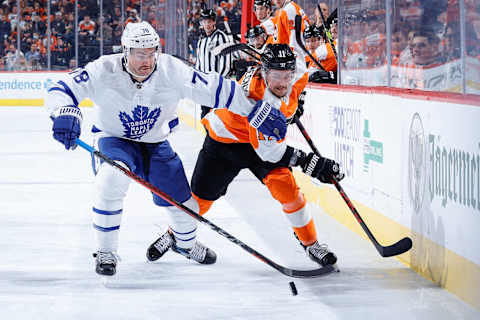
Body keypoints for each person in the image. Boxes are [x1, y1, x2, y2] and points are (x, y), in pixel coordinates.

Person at [45, 21, 267, 277]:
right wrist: (64, 111)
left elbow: (218, 89)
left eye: (152, 53)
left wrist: (257, 110)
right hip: (114, 140)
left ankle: (185, 245)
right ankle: (106, 251)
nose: (147, 60)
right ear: (125, 51)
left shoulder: (171, 70)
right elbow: (62, 88)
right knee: (111, 180)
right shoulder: (104, 68)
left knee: (185, 205)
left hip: (156, 144)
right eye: (140, 54)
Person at [146, 44, 344, 268]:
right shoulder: (256, 97)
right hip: (225, 142)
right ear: (263, 71)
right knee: (200, 201)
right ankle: (175, 235)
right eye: (275, 76)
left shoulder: (297, 70)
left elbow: (297, 80)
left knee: (288, 191)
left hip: (262, 141)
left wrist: (298, 101)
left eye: (286, 76)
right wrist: (310, 163)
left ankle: (311, 244)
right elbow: (269, 152)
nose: (281, 83)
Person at [195, 8, 232, 118]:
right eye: (204, 21)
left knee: (217, 118)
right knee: (205, 116)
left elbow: (226, 63)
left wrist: (217, 81)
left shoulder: (221, 37)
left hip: (217, 86)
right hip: (204, 86)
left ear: (214, 22)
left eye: (209, 21)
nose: (207, 24)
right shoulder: (201, 40)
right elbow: (199, 63)